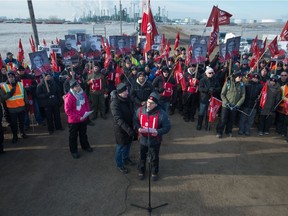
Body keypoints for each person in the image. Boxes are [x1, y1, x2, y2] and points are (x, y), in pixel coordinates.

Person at [134, 91, 171, 181]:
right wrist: (138, 128)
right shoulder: (140, 110)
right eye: (148, 102)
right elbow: (135, 121)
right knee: (142, 156)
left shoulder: (162, 114)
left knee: (154, 157)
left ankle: (154, 172)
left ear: (156, 104)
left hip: (155, 140)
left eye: (151, 103)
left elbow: (167, 127)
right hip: (143, 139)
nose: (148, 105)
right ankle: (141, 170)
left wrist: (158, 132)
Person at [110, 83, 136, 174]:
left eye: (127, 90)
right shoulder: (114, 103)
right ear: (119, 93)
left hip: (129, 125)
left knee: (128, 144)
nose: (127, 92)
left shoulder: (127, 98)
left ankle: (126, 158)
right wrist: (129, 130)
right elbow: (118, 119)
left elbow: (132, 110)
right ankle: (119, 164)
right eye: (125, 91)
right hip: (121, 129)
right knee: (120, 146)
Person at [64, 79, 93, 159]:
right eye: (77, 86)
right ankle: (74, 151)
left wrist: (87, 112)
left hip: (83, 118)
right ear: (72, 88)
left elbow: (86, 102)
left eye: (79, 85)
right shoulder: (69, 97)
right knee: (73, 136)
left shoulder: (82, 93)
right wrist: (78, 117)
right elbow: (68, 111)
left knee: (83, 133)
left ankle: (85, 146)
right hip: (74, 121)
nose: (79, 87)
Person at [0, 72, 29, 143]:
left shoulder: (20, 84)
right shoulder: (4, 86)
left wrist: (27, 104)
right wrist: (10, 93)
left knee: (21, 122)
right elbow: (2, 98)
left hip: (21, 107)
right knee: (14, 124)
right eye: (9, 77)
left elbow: (25, 95)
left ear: (14, 77)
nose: (11, 78)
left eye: (12, 76)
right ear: (8, 78)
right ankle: (15, 136)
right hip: (12, 109)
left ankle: (22, 133)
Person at [216, 71, 246, 138]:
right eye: (239, 77)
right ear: (235, 77)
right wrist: (226, 102)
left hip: (234, 106)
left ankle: (228, 131)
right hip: (226, 105)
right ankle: (219, 131)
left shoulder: (242, 85)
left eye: (241, 77)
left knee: (231, 120)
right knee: (223, 119)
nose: (240, 78)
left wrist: (238, 104)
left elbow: (243, 96)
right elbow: (222, 94)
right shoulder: (228, 83)